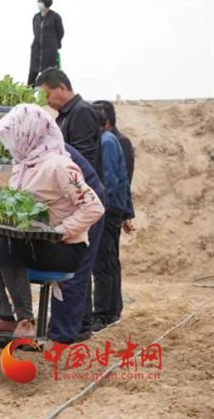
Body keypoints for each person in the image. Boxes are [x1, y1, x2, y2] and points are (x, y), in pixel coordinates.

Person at [0, 104, 104, 337]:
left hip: (64, 248)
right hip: (32, 243)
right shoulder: (23, 164)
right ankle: (2, 314)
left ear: (28, 134)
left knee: (6, 247)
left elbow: (94, 206)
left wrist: (60, 231)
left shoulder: (59, 165)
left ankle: (25, 320)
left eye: (13, 137)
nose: (9, 144)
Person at [50, 144, 106, 344]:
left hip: (87, 206)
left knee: (75, 271)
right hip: (79, 204)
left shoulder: (53, 153)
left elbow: (92, 205)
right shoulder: (44, 146)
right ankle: (80, 326)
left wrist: (62, 230)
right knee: (78, 273)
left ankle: (62, 336)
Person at [90, 105, 134, 333]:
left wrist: (98, 207)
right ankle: (113, 310)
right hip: (114, 208)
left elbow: (108, 180)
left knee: (101, 264)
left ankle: (102, 314)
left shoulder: (105, 142)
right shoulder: (110, 139)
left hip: (107, 209)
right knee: (110, 261)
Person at [36, 67, 103, 179]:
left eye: (48, 95)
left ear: (62, 87)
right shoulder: (64, 115)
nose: (47, 102)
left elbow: (83, 159)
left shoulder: (81, 111)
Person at [93, 100, 136, 235]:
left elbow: (122, 179)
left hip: (110, 208)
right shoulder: (106, 139)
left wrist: (126, 214)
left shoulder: (113, 141)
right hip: (111, 207)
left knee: (107, 253)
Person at [28, 0, 63, 87]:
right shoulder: (36, 17)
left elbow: (61, 32)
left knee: (48, 75)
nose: (39, 4)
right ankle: (28, 95)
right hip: (36, 49)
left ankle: (48, 96)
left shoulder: (55, 17)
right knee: (32, 73)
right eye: (38, 2)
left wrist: (55, 44)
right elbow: (35, 32)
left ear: (47, 4)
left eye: (41, 2)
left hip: (49, 51)